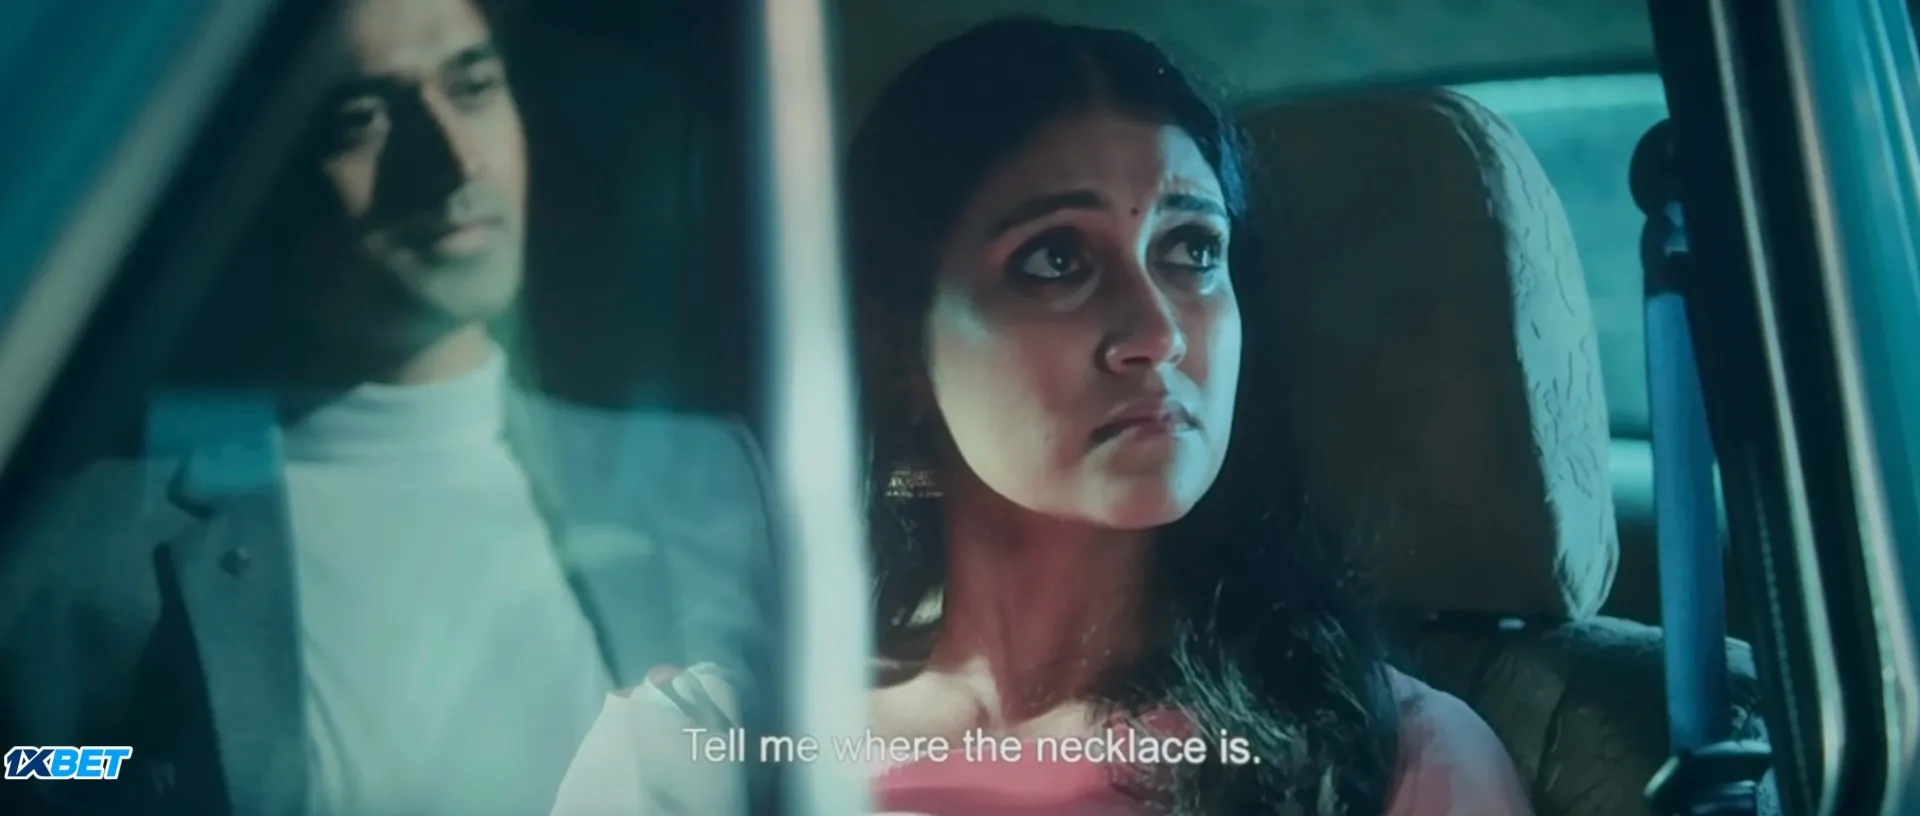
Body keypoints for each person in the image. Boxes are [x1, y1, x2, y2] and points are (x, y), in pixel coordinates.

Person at [551, 16, 1531, 816]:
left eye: (1193, 251)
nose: (1157, 334)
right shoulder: (707, 754)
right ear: (899, 351)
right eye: (1056, 261)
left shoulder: (1386, 758)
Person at [0, 1, 777, 814]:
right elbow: (28, 769)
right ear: (261, 165)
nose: (454, 162)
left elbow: (814, 753)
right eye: (362, 118)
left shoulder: (708, 484)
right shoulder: (89, 541)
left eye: (473, 86)